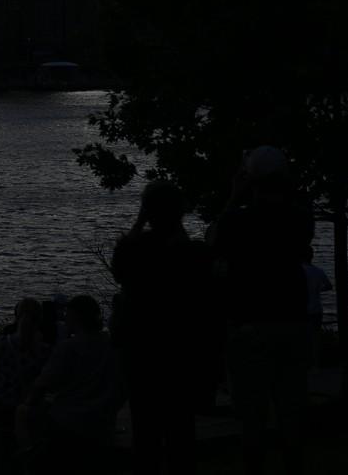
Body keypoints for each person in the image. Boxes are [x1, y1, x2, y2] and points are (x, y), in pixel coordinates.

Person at [212, 146, 313, 475]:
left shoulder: (237, 220)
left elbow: (213, 244)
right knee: (292, 412)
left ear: (249, 180)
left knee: (252, 416)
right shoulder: (301, 218)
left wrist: (233, 197)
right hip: (294, 321)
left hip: (250, 322)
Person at [111, 180, 214, 475]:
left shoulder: (133, 250)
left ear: (146, 210)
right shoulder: (193, 254)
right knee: (181, 427)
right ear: (180, 212)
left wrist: (140, 221)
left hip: (141, 349)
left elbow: (120, 271)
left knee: (145, 428)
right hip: (181, 348)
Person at [16, 295, 126, 464]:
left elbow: (42, 384)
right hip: (104, 423)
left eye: (68, 313)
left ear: (78, 318)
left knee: (22, 412)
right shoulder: (112, 345)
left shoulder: (70, 347)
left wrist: (30, 401)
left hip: (70, 423)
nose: (64, 318)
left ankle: (29, 460)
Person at [0, 298, 52, 429]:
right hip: (26, 410)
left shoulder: (1, 343)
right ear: (39, 319)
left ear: (16, 316)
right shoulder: (44, 350)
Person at [301, 246, 332, 367]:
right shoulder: (319, 271)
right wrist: (317, 290)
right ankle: (316, 364)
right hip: (317, 308)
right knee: (315, 338)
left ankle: (305, 362)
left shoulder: (299, 270)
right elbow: (329, 286)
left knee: (302, 337)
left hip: (302, 309)